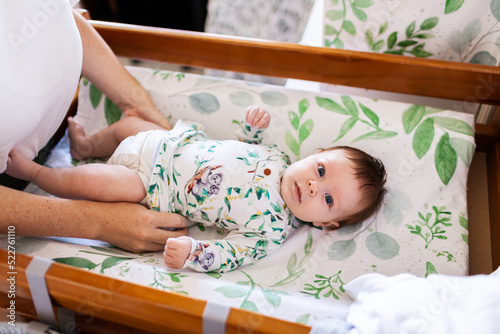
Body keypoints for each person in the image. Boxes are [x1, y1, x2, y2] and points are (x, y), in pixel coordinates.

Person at [6, 105, 387, 273]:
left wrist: (193, 253)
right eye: (320, 170)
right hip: (169, 143)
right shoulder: (278, 155)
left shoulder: (270, 231)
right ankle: (85, 147)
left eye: (328, 199)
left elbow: (229, 254)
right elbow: (240, 146)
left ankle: (38, 173)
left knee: (88, 184)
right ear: (315, 154)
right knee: (127, 126)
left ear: (328, 225)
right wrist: (252, 129)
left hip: (152, 186)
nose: (311, 185)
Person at [0, 1, 187, 253]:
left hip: (177, 155)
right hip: (11, 182)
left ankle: (84, 147)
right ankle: (36, 173)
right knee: (101, 184)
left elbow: (54, 15)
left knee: (131, 127)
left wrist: (135, 102)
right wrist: (99, 222)